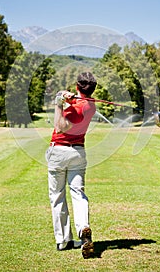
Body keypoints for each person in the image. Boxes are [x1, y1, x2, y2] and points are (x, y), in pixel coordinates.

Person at [45, 72, 97, 259]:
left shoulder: (76, 108)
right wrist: (64, 96)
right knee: (78, 193)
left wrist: (59, 103)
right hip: (78, 153)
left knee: (58, 196)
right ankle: (83, 228)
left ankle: (63, 241)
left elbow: (59, 126)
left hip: (59, 151)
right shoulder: (90, 106)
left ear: (77, 86)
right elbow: (75, 103)